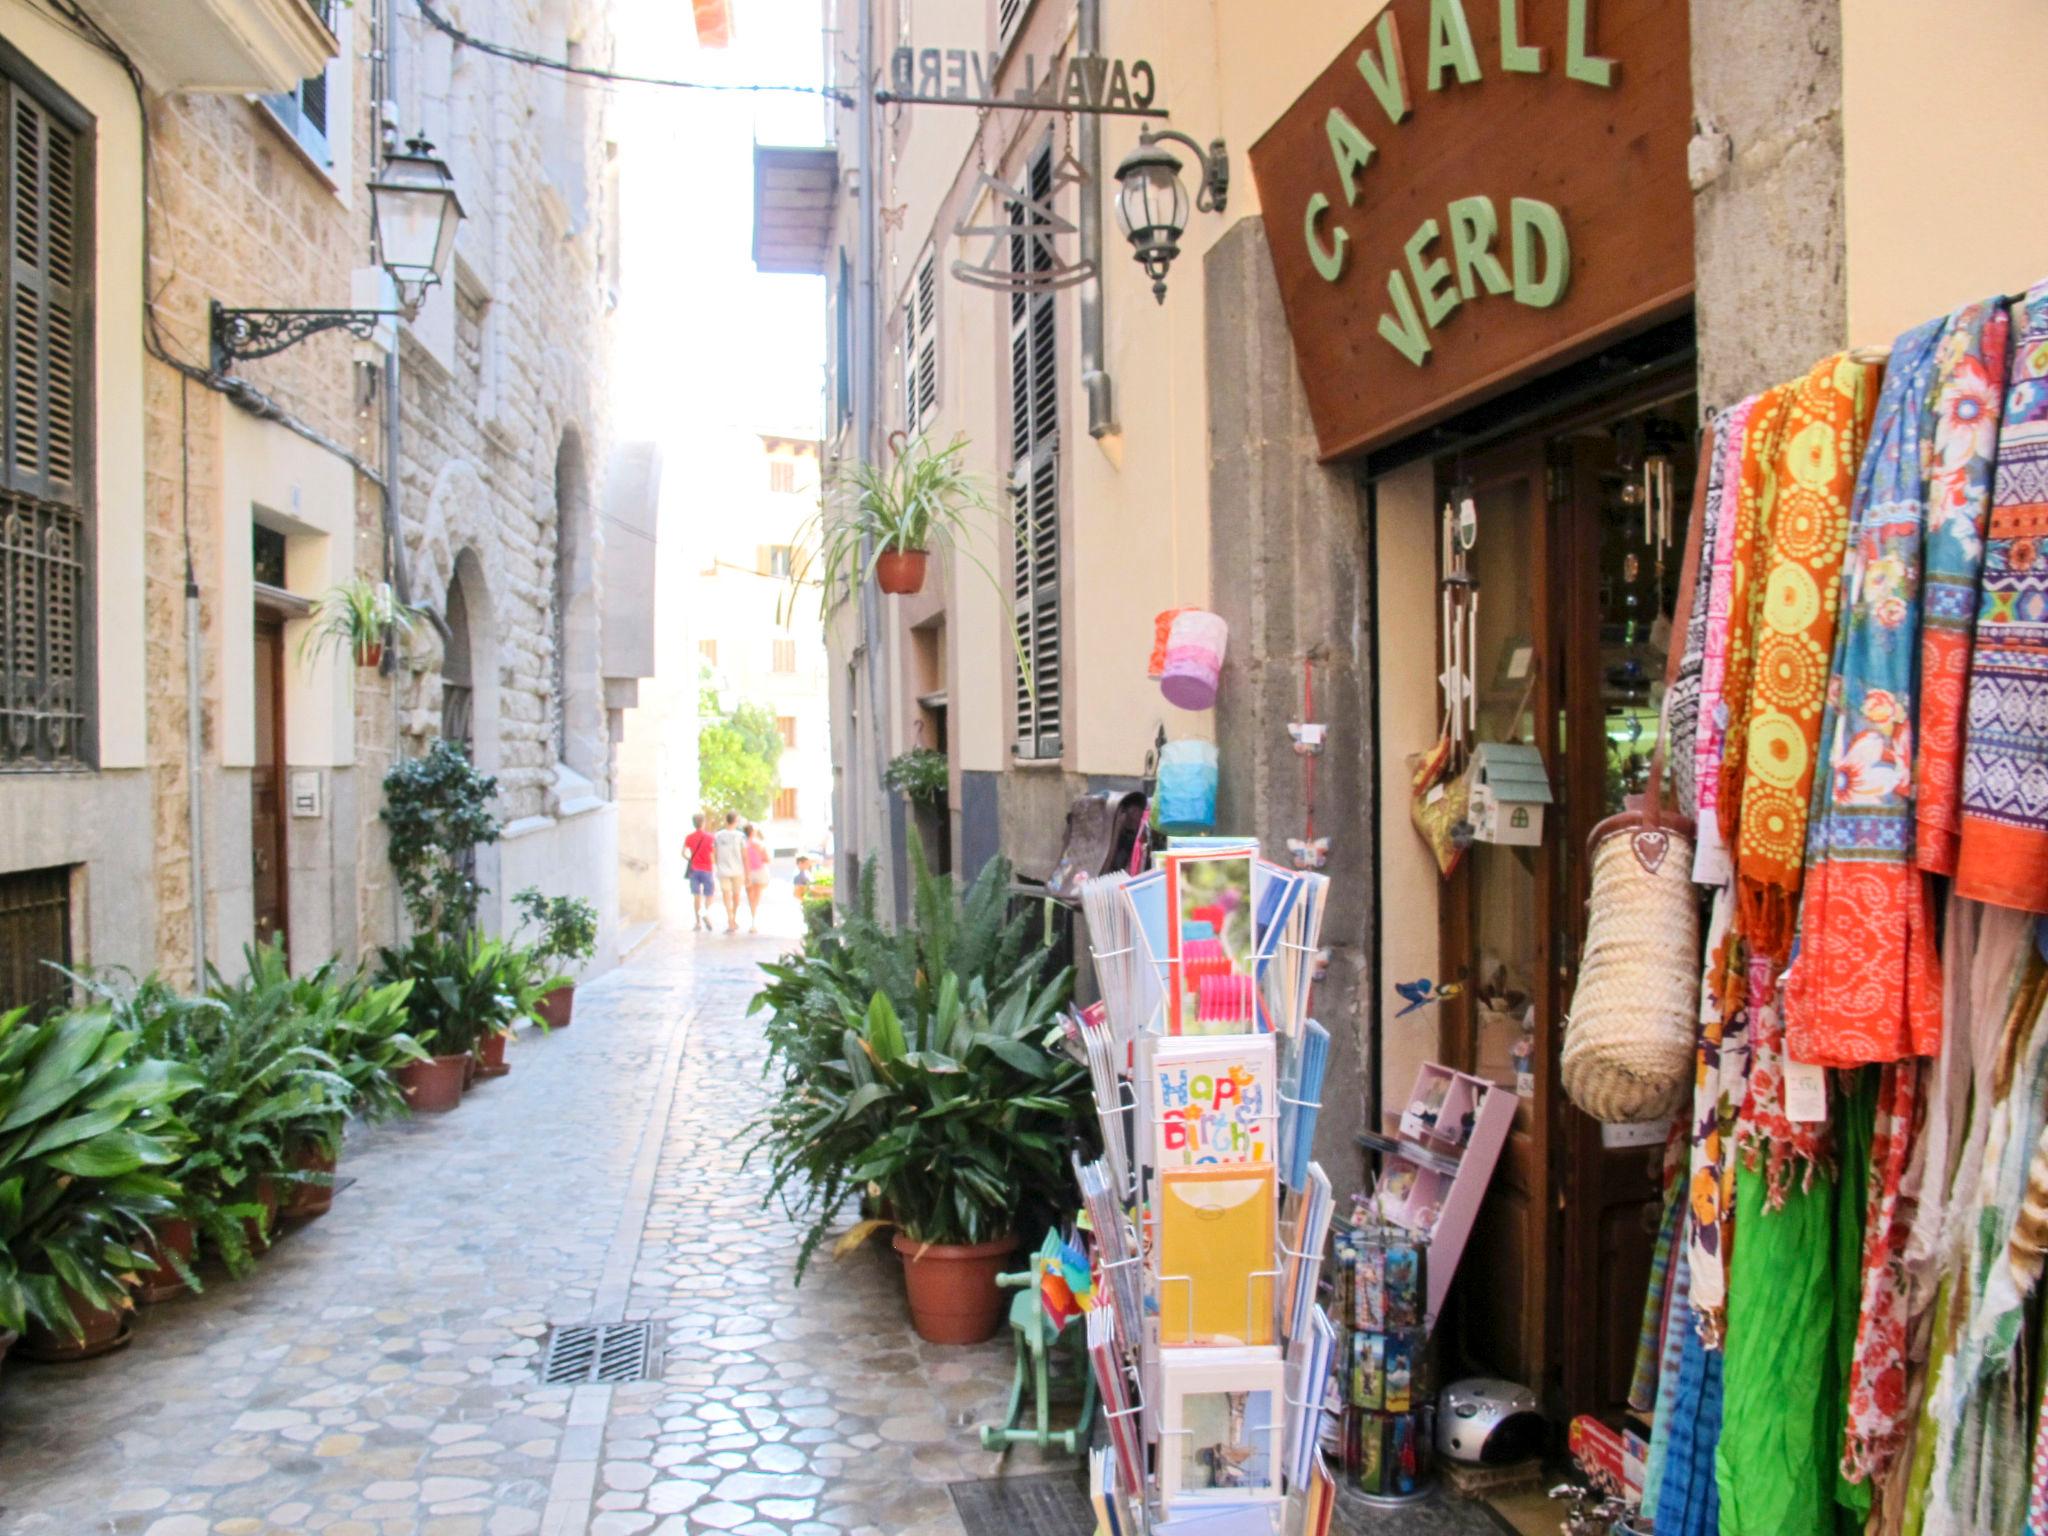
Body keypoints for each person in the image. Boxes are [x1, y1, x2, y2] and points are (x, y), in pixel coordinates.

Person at [712, 811, 748, 933]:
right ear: (736, 821)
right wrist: (747, 872)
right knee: (736, 895)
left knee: (726, 895)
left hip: (723, 870)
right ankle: (734, 917)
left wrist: (717, 865)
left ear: (726, 820)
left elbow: (715, 853)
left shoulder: (718, 836)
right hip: (737, 870)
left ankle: (730, 918)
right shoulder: (740, 836)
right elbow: (744, 855)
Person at [682, 813, 717, 931]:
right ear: (703, 823)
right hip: (707, 869)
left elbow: (683, 853)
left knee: (696, 897)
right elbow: (714, 853)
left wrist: (690, 859)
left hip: (694, 869)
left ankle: (698, 923)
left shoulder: (689, 837)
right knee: (709, 895)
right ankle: (704, 914)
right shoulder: (711, 837)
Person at [743, 823, 771, 933]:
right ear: (753, 832)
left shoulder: (742, 844)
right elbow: (767, 859)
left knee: (750, 897)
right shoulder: (759, 844)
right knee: (757, 897)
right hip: (759, 871)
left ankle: (752, 919)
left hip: (747, 872)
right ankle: (754, 921)